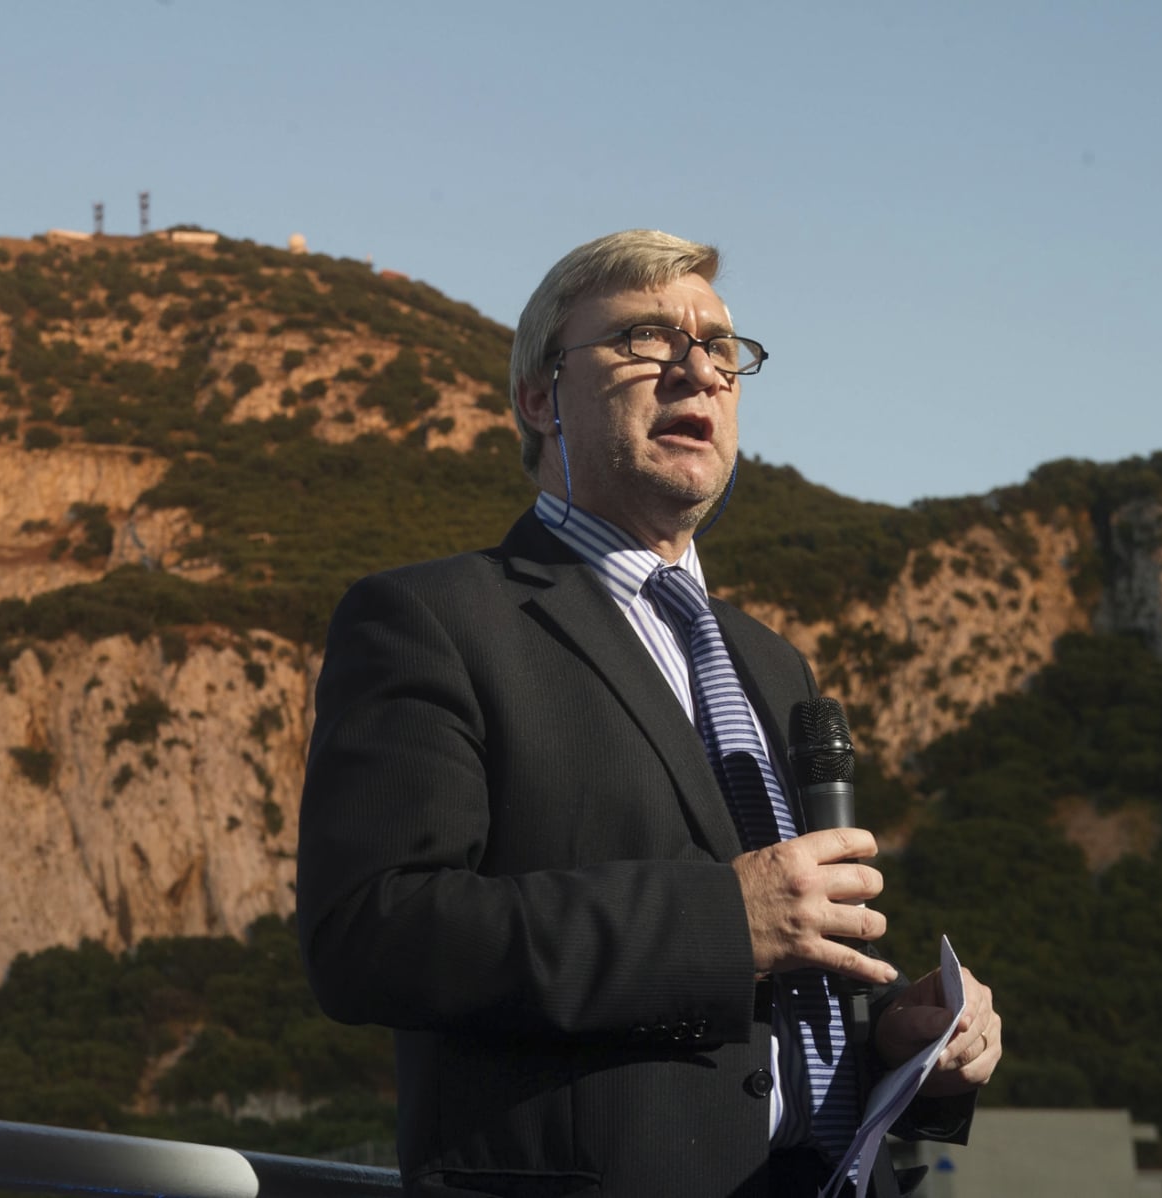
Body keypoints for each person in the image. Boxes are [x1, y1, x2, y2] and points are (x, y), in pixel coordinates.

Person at [296, 230, 1001, 1198]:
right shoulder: (434, 619)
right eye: (644, 338)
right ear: (539, 399)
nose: (697, 370)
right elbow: (371, 936)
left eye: (721, 348)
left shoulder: (774, 663)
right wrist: (721, 922)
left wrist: (899, 1049)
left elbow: (777, 991)